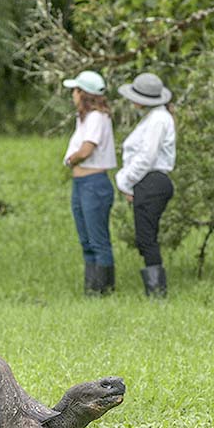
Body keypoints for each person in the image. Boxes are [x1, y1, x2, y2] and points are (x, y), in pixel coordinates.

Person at [116, 73, 176, 297]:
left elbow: (146, 157)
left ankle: (157, 293)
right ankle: (155, 290)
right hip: (148, 181)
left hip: (150, 180)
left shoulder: (158, 120)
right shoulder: (153, 117)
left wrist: (125, 181)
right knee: (144, 237)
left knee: (146, 239)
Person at [61, 70, 117, 296]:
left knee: (98, 239)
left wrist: (70, 159)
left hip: (94, 183)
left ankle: (104, 290)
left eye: (75, 90)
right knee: (86, 239)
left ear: (84, 94)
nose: (73, 95)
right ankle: (91, 290)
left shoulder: (96, 117)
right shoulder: (83, 118)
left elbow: (86, 149)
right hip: (82, 184)